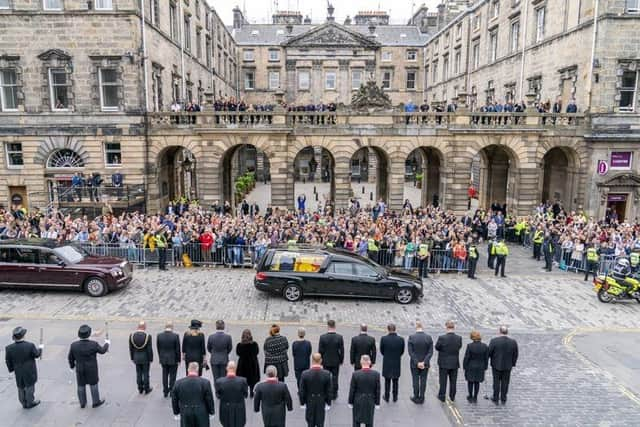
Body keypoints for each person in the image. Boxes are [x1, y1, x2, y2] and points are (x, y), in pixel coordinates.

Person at [68, 324, 109, 408]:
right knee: (93, 384)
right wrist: (107, 344)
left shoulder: (74, 345)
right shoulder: (93, 344)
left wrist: (72, 366)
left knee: (81, 385)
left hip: (80, 368)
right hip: (91, 368)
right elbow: (102, 351)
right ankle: (95, 401)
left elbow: (70, 357)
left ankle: (82, 403)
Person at [5, 326, 43, 408]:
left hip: (18, 370)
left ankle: (23, 402)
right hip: (29, 370)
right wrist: (40, 348)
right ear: (23, 336)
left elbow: (8, 360)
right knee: (30, 386)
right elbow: (36, 355)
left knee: (20, 386)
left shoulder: (9, 348)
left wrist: (11, 369)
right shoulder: (30, 345)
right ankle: (30, 402)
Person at [172, 362, 216, 426]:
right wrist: (211, 412)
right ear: (197, 370)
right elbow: (209, 399)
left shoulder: (178, 383)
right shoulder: (205, 383)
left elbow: (174, 399)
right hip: (201, 412)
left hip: (185, 411)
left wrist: (176, 412)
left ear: (188, 369)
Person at [299, 353, 333, 427]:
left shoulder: (305, 374)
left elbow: (302, 390)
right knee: (320, 422)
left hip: (310, 400)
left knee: (310, 422)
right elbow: (329, 390)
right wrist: (328, 402)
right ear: (321, 360)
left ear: (312, 360)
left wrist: (302, 402)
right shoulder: (326, 374)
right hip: (321, 401)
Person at [488, 326, 519, 404]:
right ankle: (503, 397)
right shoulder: (513, 342)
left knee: (496, 382)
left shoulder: (494, 341)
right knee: (505, 382)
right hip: (508, 365)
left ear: (499, 332)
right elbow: (515, 354)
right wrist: (513, 363)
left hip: (496, 364)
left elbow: (489, 352)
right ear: (507, 332)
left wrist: (489, 360)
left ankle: (495, 397)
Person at [348, 355, 381, 427]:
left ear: (361, 362)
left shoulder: (356, 374)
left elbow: (352, 390)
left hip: (358, 401)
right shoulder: (376, 375)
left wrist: (350, 402)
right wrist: (377, 403)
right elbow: (377, 390)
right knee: (369, 421)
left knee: (356, 421)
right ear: (370, 363)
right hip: (370, 400)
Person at [435, 320, 462, 402]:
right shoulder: (459, 338)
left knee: (443, 380)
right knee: (453, 381)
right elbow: (459, 347)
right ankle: (452, 396)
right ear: (454, 327)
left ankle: (442, 396)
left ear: (446, 327)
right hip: (454, 362)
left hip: (444, 362)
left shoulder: (442, 338)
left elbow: (437, 347)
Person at [215, 361, 248, 427]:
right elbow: (245, 394)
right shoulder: (243, 381)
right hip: (239, 408)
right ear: (235, 369)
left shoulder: (219, 381)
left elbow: (218, 395)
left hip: (225, 408)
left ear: (227, 368)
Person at [407, 321, 433, 404]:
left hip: (414, 364)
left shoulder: (411, 337)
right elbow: (430, 352)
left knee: (415, 379)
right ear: (422, 327)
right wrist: (424, 362)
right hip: (425, 364)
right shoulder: (428, 337)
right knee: (423, 380)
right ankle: (422, 397)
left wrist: (417, 362)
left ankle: (416, 396)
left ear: (416, 327)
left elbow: (411, 352)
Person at [318, 319, 344, 400]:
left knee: (326, 377)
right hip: (336, 360)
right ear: (334, 326)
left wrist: (320, 360)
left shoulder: (322, 337)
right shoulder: (339, 337)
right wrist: (341, 360)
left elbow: (320, 351)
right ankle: (334, 394)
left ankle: (326, 392)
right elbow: (342, 350)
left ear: (328, 326)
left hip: (325, 361)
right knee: (335, 377)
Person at [379, 323, 404, 403]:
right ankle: (395, 397)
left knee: (387, 380)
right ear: (395, 329)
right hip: (396, 362)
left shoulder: (384, 339)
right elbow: (402, 351)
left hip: (387, 362)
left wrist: (386, 355)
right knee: (396, 380)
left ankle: (386, 396)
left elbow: (382, 350)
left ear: (388, 329)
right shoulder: (401, 339)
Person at [463, 331, 489, 403]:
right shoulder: (485, 346)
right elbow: (486, 358)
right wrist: (485, 366)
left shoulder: (470, 346)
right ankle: (475, 396)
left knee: (470, 381)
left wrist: (464, 366)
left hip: (471, 365)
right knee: (477, 382)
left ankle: (470, 395)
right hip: (480, 366)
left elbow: (467, 357)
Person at [129, 320, 153, 394]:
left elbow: (131, 348)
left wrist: (132, 357)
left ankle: (140, 388)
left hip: (136, 357)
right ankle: (147, 388)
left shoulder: (132, 336)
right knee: (146, 373)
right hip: (145, 358)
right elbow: (149, 349)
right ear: (144, 327)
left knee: (138, 373)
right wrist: (151, 358)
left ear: (138, 326)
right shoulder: (147, 336)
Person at [157, 321, 181, 398]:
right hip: (173, 359)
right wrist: (179, 359)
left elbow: (158, 348)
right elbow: (177, 349)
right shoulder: (175, 336)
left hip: (163, 358)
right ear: (172, 327)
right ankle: (172, 391)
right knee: (172, 376)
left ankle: (165, 391)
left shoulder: (159, 336)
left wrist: (160, 357)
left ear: (165, 327)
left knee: (164, 375)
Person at [236, 329, 260, 398]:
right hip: (252, 363)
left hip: (243, 364)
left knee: (243, 378)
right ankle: (252, 392)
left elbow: (238, 353)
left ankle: (245, 392)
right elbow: (257, 352)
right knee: (252, 378)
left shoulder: (239, 345)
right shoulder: (254, 344)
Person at [207, 320, 233, 385]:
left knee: (216, 378)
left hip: (214, 360)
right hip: (224, 359)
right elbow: (229, 348)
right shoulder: (228, 337)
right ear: (223, 326)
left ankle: (217, 393)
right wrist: (225, 353)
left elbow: (209, 348)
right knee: (224, 378)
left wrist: (213, 353)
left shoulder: (211, 337)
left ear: (216, 326)